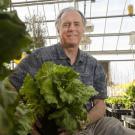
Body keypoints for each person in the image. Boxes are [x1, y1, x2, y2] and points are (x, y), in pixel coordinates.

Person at [8, 7, 135, 135]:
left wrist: (80, 123)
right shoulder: (39, 57)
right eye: (66, 24)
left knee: (116, 127)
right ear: (58, 30)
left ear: (83, 30)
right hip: (50, 128)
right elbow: (10, 87)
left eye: (76, 24)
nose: (72, 28)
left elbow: (100, 105)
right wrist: (25, 117)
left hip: (88, 124)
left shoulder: (93, 64)